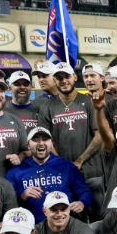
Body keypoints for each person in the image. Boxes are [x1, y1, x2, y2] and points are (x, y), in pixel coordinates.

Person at [37, 63, 103, 205]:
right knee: (68, 216)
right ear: (54, 81)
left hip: (91, 170)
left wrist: (80, 161)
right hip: (62, 172)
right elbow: (45, 141)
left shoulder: (89, 101)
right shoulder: (47, 107)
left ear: (74, 77)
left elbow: (99, 135)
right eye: (59, 78)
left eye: (67, 76)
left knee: (98, 216)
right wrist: (64, 164)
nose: (64, 81)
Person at [6, 126, 92, 218]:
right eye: (35, 140)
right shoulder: (15, 172)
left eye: (45, 139)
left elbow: (84, 191)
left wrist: (82, 202)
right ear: (28, 146)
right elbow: (7, 203)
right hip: (32, 227)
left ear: (52, 144)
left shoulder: (66, 166)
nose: (40, 143)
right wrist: (22, 196)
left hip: (64, 224)